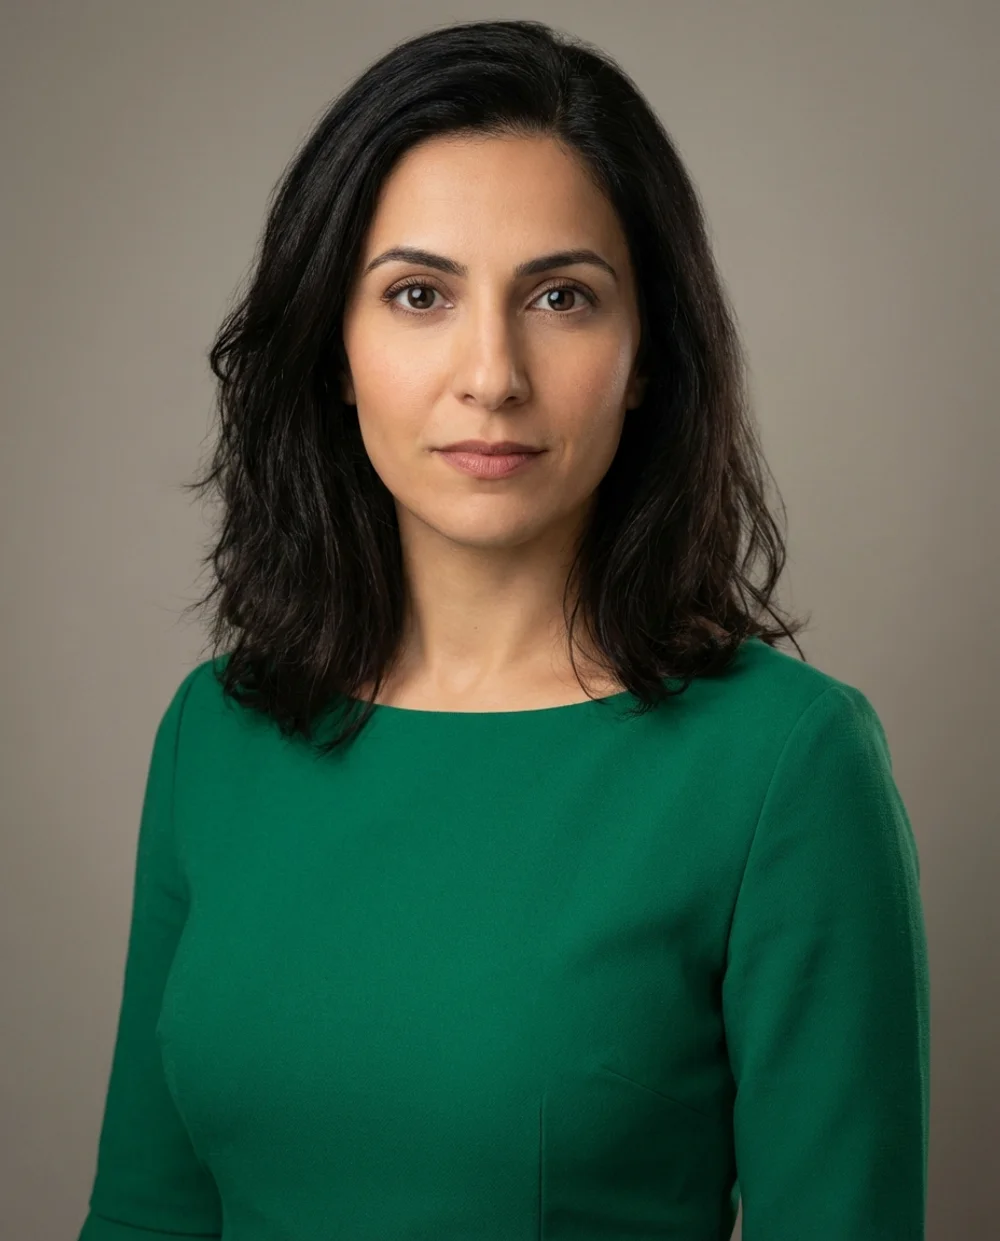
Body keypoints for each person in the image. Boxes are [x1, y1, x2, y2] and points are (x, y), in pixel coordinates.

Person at [76, 17, 929, 1241]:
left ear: (646, 355)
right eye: (419, 294)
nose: (492, 372)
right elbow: (147, 1210)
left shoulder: (784, 764)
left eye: (562, 296)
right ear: (336, 347)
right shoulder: (215, 732)